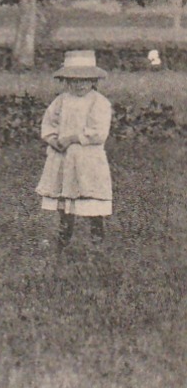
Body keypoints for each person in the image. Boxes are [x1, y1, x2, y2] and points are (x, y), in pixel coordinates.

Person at [37, 50, 112, 248]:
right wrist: (53, 140)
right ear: (66, 81)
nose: (79, 85)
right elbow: (49, 123)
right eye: (73, 80)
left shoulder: (99, 102)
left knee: (91, 196)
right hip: (63, 157)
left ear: (93, 81)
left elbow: (98, 132)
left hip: (88, 158)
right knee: (65, 197)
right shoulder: (61, 101)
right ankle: (63, 238)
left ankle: (97, 239)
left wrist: (72, 138)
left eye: (85, 80)